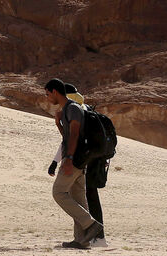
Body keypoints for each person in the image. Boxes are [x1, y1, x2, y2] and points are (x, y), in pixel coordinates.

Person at [45, 79, 104, 249]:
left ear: (55, 91)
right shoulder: (69, 110)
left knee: (58, 192)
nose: (48, 98)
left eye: (48, 94)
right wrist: (59, 124)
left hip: (75, 160)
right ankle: (82, 240)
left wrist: (68, 160)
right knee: (79, 199)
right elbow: (67, 136)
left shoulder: (72, 108)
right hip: (80, 160)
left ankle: (91, 224)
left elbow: (75, 135)